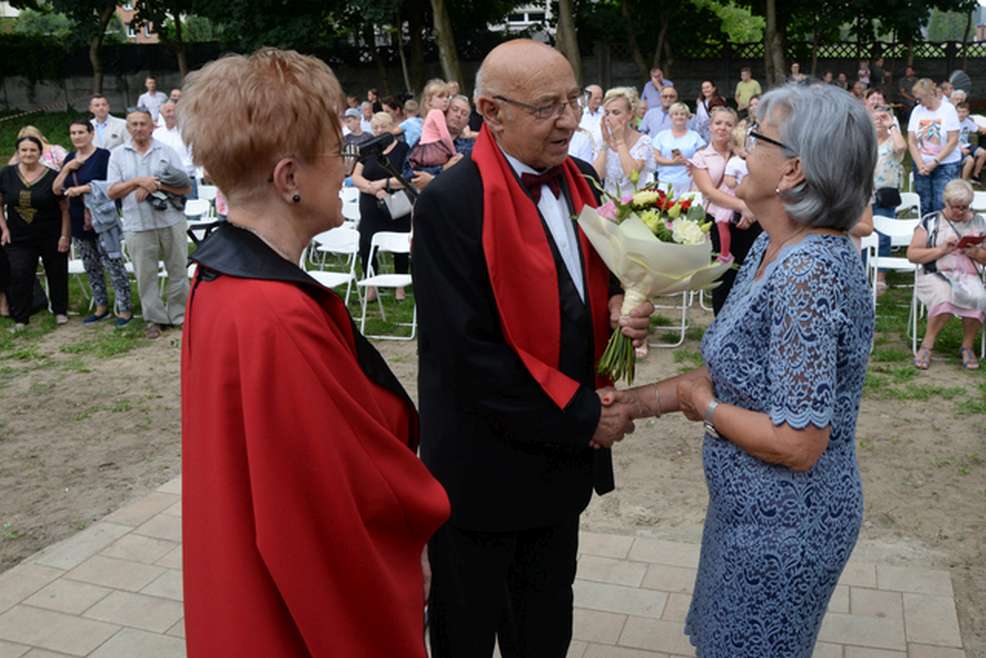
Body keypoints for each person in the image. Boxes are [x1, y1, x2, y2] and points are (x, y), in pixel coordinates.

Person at [178, 47, 449, 658]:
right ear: (289, 178)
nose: (347, 166)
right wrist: (414, 540)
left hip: (242, 591)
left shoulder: (218, 279)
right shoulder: (279, 317)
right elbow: (330, 510)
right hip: (293, 621)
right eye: (338, 152)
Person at [604, 82, 876, 658]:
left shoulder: (807, 272)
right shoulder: (773, 245)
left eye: (756, 137)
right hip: (750, 517)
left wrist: (701, 406)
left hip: (786, 529)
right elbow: (726, 380)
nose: (741, 150)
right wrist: (635, 402)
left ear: (792, 171)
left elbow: (799, 443)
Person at [412, 39, 651, 658]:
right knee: (465, 636)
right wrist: (586, 416)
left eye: (573, 100)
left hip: (556, 469)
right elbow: (470, 354)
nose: (570, 119)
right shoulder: (450, 203)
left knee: (544, 633)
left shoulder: (583, 182)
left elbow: (589, 291)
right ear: (490, 111)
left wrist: (623, 305)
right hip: (482, 474)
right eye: (547, 106)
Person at [107, 107, 191, 339]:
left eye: (143, 123)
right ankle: (154, 319)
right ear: (128, 127)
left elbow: (185, 187)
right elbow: (112, 192)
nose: (138, 128)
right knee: (146, 275)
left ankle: (180, 316)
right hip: (137, 224)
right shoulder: (117, 155)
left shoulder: (167, 151)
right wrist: (137, 181)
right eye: (133, 124)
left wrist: (157, 185)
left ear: (152, 125)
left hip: (170, 221)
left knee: (177, 270)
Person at [51, 120, 132, 326]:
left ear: (91, 133)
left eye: (80, 132)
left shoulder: (104, 156)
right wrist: (67, 168)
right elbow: (56, 189)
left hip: (102, 219)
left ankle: (124, 308)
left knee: (113, 263)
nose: (77, 136)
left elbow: (112, 184)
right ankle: (101, 306)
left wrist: (84, 189)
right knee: (91, 266)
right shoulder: (69, 158)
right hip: (78, 219)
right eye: (72, 132)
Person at [908, 179, 986, 370]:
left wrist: (975, 253)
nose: (960, 211)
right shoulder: (931, 221)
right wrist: (941, 250)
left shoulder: (978, 222)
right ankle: (927, 345)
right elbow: (912, 255)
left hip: (969, 276)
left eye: (965, 207)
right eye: (956, 207)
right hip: (935, 274)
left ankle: (967, 346)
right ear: (946, 203)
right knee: (944, 294)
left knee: (980, 296)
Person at [0, 135, 70, 330]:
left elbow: (65, 209)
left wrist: (65, 235)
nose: (28, 154)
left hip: (51, 234)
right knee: (19, 275)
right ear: (18, 152)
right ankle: (21, 317)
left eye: (33, 150)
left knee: (56, 273)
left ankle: (60, 311)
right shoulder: (6, 174)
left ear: (40, 153)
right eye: (24, 150)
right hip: (19, 237)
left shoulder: (53, 176)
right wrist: (4, 228)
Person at [690, 106, 757, 301]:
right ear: (710, 126)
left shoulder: (743, 154)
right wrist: (742, 206)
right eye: (718, 123)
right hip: (718, 222)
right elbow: (709, 191)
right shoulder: (700, 157)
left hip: (748, 221)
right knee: (723, 277)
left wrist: (748, 210)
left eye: (728, 124)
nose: (722, 128)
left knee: (748, 272)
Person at [350, 112, 410, 302]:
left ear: (391, 127)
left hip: (396, 206)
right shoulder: (367, 151)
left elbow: (405, 178)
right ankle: (372, 286)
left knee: (399, 248)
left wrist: (383, 184)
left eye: (382, 127)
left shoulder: (403, 148)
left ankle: (400, 286)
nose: (378, 131)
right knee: (366, 247)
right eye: (375, 127)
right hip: (370, 205)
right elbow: (356, 177)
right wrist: (373, 189)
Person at [908, 78, 961, 215]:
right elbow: (912, 141)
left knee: (941, 203)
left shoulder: (948, 109)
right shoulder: (917, 111)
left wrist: (935, 161)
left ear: (931, 93)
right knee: (924, 204)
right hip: (922, 164)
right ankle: (925, 233)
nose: (918, 102)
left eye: (921, 99)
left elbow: (953, 140)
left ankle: (941, 233)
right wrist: (920, 164)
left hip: (945, 164)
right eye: (917, 99)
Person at [870, 101, 907, 295]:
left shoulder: (893, 141)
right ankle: (863, 273)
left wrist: (891, 124)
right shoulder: (864, 141)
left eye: (881, 118)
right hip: (864, 196)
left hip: (885, 196)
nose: (878, 121)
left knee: (883, 237)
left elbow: (902, 147)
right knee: (863, 235)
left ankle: (880, 277)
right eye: (874, 118)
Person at [594, 87, 656, 197]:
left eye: (616, 112)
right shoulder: (603, 139)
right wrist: (605, 143)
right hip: (609, 202)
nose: (609, 117)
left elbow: (631, 175)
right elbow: (598, 175)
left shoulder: (643, 141)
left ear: (630, 114)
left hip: (636, 203)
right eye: (607, 113)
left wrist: (620, 141)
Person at [652, 101, 704, 196]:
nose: (679, 117)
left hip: (688, 181)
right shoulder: (661, 136)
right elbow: (655, 157)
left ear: (687, 117)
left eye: (682, 114)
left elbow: (702, 158)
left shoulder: (695, 136)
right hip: (665, 181)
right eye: (676, 114)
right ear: (670, 116)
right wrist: (672, 162)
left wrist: (689, 162)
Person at [153, 101, 197, 198]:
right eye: (168, 111)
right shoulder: (156, 134)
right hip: (162, 183)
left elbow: (193, 158)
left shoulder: (188, 132)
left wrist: (179, 176)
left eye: (174, 111)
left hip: (185, 181)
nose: (171, 114)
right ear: (162, 114)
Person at [956, 101, 986, 182]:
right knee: (970, 160)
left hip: (966, 145)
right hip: (955, 147)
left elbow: (978, 129)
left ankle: (975, 175)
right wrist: (961, 149)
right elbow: (950, 140)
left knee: (983, 153)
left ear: (968, 112)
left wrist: (983, 129)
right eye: (959, 112)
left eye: (964, 112)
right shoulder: (953, 122)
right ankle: (963, 181)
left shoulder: (967, 121)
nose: (961, 114)